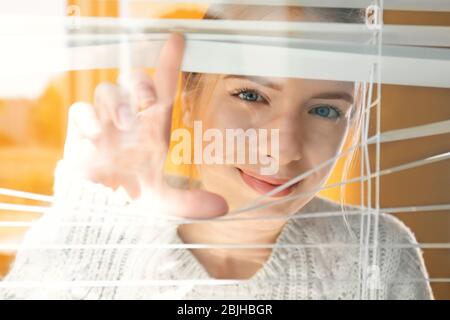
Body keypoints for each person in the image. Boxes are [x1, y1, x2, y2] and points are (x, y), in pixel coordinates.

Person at [0, 5, 433, 299]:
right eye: (250, 94)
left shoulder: (376, 255)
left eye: (324, 109)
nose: (281, 148)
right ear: (190, 94)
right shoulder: (84, 240)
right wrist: (85, 230)